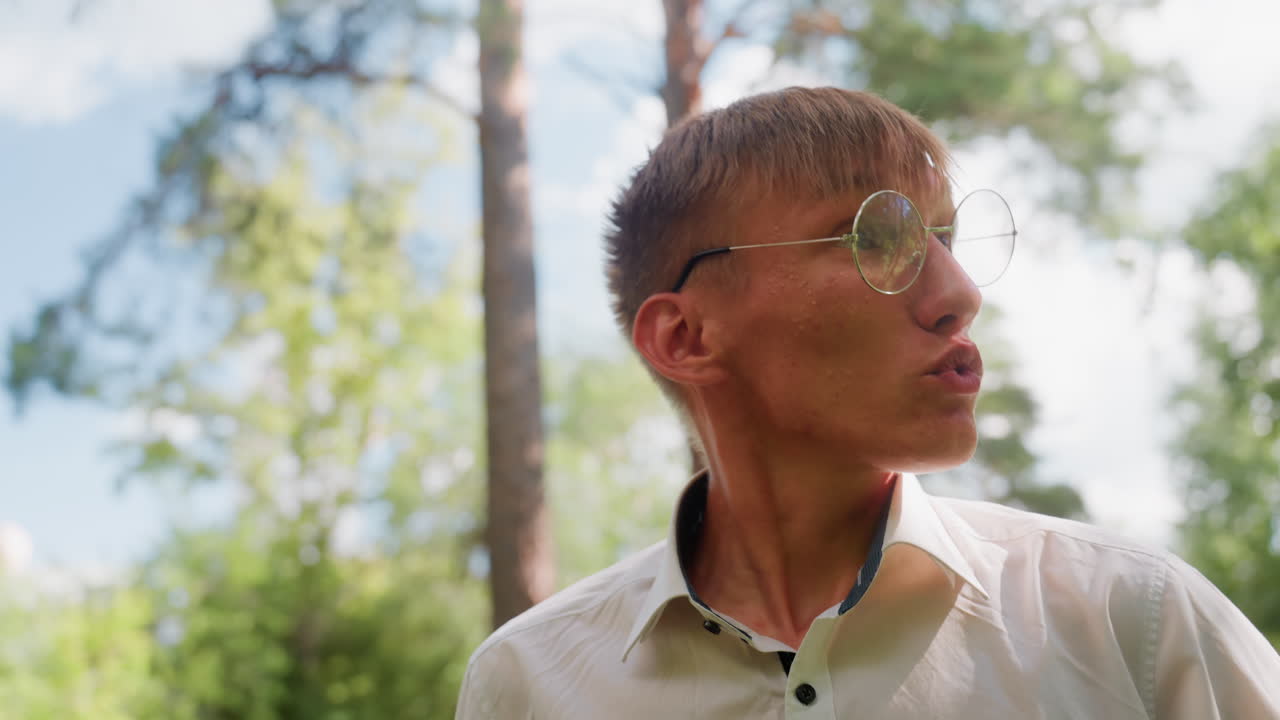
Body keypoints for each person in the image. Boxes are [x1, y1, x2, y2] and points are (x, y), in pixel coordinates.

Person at [455, 86, 1280, 718]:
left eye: (946, 242)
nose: (959, 294)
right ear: (686, 338)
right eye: (876, 238)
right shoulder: (529, 683)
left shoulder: (1129, 622)